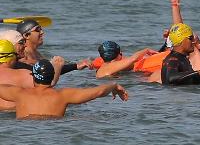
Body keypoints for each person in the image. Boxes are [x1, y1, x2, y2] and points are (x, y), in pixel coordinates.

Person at [0, 59, 128, 119]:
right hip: (54, 131)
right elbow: (98, 91)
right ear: (52, 77)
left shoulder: (19, 93)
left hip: (25, 134)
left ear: (33, 77)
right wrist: (113, 85)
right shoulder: (63, 95)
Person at [15, 19, 90, 72]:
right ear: (26, 35)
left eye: (41, 29)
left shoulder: (36, 53)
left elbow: (48, 68)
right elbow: (45, 70)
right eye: (38, 30)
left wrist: (76, 64)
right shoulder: (23, 56)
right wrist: (75, 66)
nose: (42, 32)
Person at [93, 41, 159, 79]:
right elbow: (133, 59)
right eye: (120, 53)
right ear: (118, 54)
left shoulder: (104, 67)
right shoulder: (113, 65)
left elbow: (130, 65)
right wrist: (146, 50)